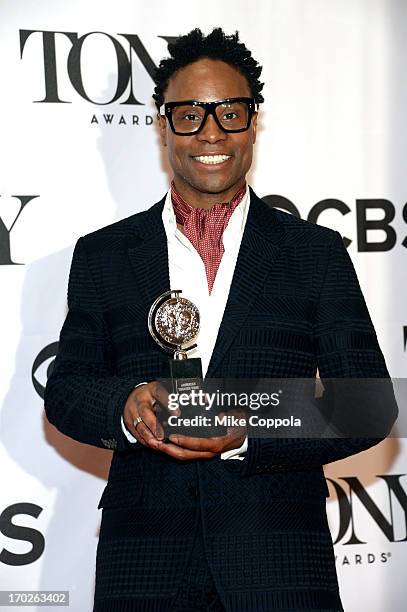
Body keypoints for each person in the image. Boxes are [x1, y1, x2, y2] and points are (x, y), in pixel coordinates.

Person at [44, 28, 396, 612]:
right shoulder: (104, 254)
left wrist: (251, 428)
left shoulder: (314, 252)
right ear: (163, 126)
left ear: (253, 123)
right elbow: (68, 391)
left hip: (279, 560)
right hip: (144, 563)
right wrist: (125, 408)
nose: (211, 132)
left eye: (230, 113)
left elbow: (369, 404)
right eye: (190, 114)